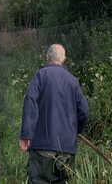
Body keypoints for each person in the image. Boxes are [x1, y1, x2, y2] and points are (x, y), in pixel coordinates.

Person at [19, 44, 89, 184]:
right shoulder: (73, 81)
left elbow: (30, 102)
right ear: (64, 60)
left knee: (38, 180)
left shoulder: (40, 75)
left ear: (48, 57)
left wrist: (27, 133)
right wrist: (75, 130)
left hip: (42, 144)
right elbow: (84, 112)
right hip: (66, 146)